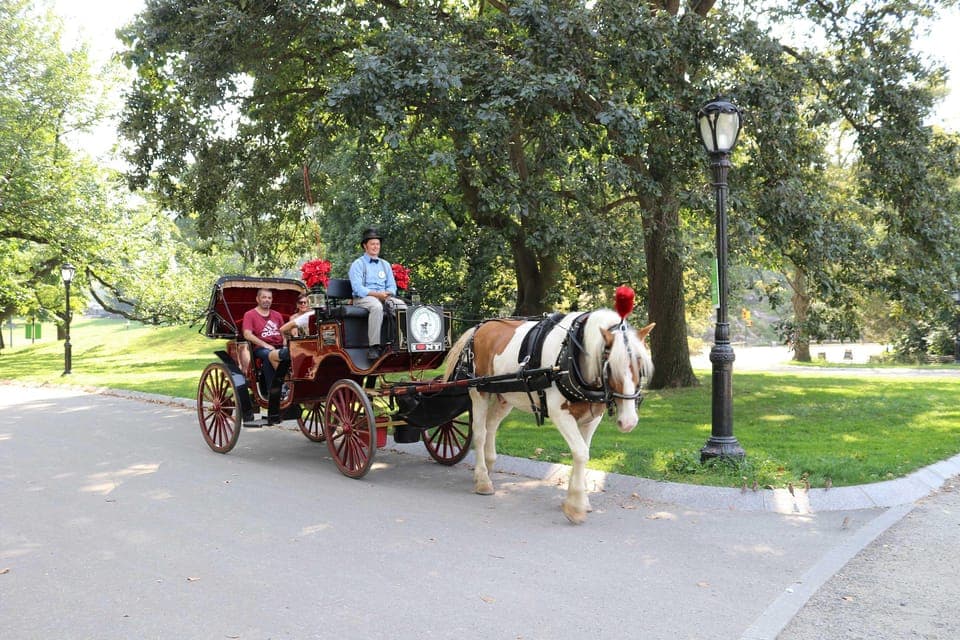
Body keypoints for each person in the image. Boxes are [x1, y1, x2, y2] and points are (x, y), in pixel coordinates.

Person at [348, 228, 406, 360]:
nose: (376, 246)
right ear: (365, 246)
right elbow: (358, 289)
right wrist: (377, 295)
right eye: (373, 244)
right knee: (376, 307)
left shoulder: (385, 265)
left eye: (377, 244)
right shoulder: (358, 264)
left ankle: (401, 341)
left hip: (384, 297)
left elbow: (392, 286)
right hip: (363, 298)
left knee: (401, 306)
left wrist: (388, 293)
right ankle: (374, 347)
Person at [241, 288, 285, 392]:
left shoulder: (277, 315)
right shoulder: (250, 314)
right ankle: (274, 391)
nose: (267, 300)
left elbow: (283, 332)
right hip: (261, 348)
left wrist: (285, 341)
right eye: (264, 297)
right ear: (257, 299)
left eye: (269, 298)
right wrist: (265, 345)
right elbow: (247, 334)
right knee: (269, 356)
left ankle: (291, 386)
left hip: (279, 346)